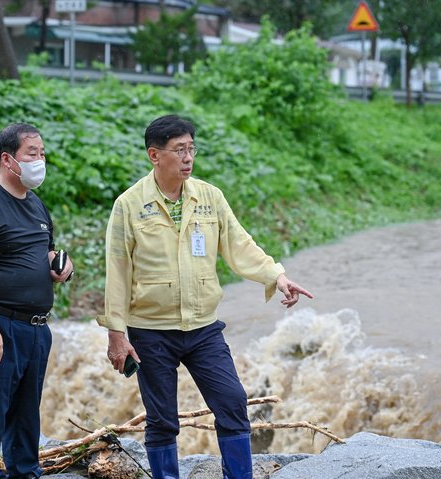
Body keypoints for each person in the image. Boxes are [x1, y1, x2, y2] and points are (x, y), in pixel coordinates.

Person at [97, 114, 313, 479]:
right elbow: (117, 271)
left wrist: (277, 276)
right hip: (151, 330)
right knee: (162, 420)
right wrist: (116, 334)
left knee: (232, 401)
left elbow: (239, 244)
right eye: (179, 150)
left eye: (191, 149)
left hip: (202, 328)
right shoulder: (129, 205)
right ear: (154, 154)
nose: (188, 157)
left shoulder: (209, 197)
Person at [0, 123, 74, 479]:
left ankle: (26, 473)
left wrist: (61, 267)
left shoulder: (36, 205)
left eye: (42, 154)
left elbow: (45, 251)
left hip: (35, 328)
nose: (40, 161)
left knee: (26, 416)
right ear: (8, 159)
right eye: (32, 154)